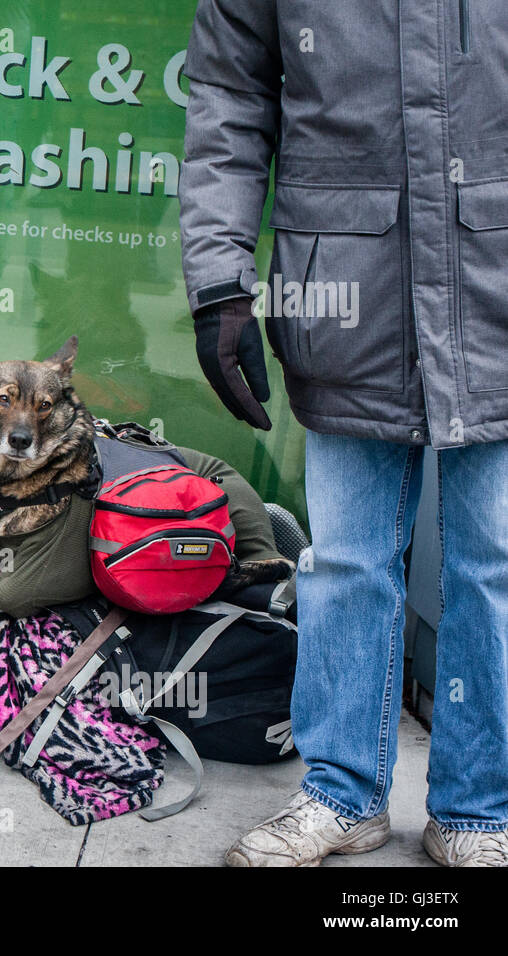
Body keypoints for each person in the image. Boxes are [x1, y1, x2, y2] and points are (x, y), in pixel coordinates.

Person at [180, 1, 508, 866]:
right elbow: (229, 92)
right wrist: (219, 280)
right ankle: (340, 793)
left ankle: (480, 809)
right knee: (346, 560)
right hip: (348, 290)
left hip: (495, 283)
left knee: (497, 561)